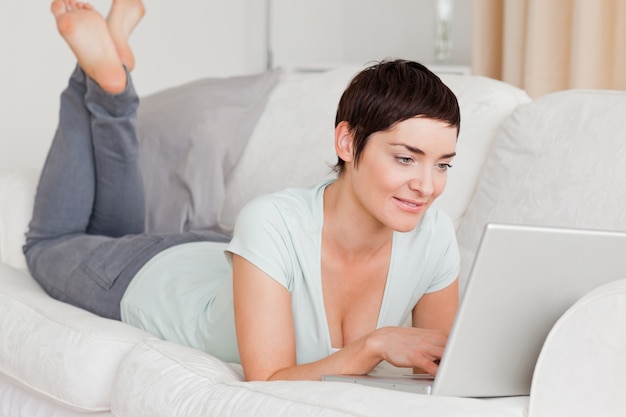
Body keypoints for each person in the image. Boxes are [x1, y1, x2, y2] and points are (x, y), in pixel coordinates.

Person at [26, 0, 461, 382]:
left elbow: (446, 366)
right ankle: (97, 79)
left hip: (234, 257)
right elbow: (269, 377)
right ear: (347, 142)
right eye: (406, 158)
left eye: (442, 164)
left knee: (113, 229)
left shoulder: (434, 236)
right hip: (154, 275)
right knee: (50, 243)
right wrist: (374, 346)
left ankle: (110, 76)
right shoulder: (272, 220)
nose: (427, 186)